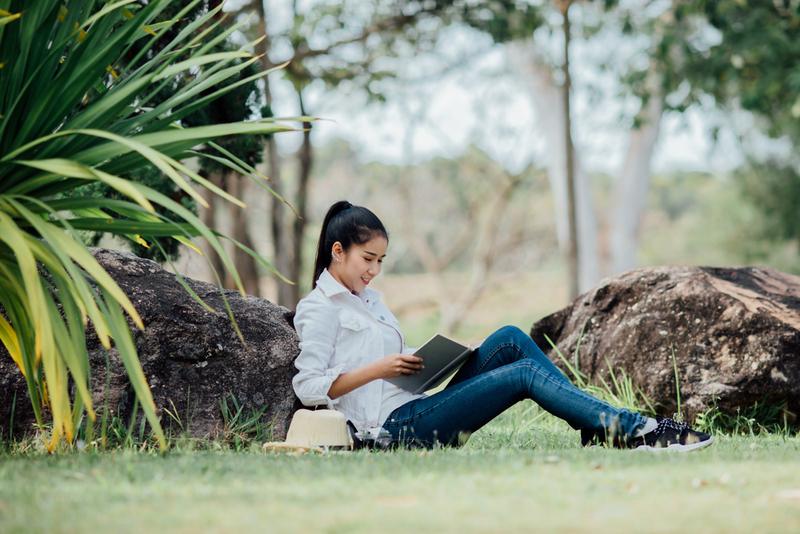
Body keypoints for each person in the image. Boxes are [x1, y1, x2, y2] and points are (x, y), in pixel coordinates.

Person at [292, 200, 713, 452]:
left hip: (410, 404)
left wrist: (426, 361)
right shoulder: (319, 308)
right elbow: (308, 386)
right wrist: (381, 368)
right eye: (368, 259)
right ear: (338, 251)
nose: (375, 270)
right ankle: (629, 428)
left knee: (508, 339)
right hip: (389, 431)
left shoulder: (372, 303)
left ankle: (599, 427)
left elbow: (390, 378)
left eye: (381, 261)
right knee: (523, 374)